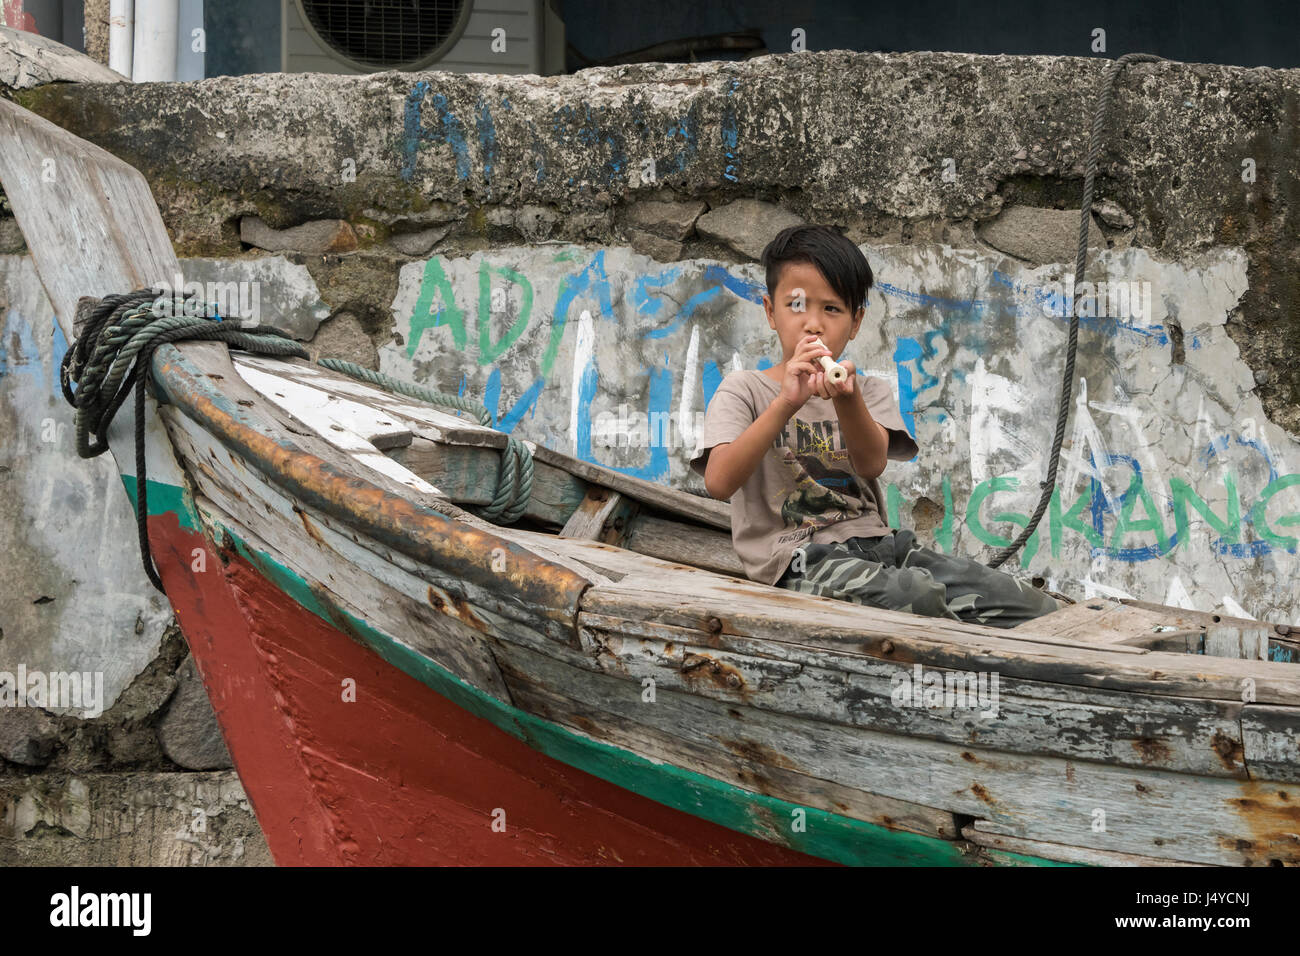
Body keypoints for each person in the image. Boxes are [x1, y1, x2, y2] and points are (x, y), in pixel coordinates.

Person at [688, 224, 1059, 629]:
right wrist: (786, 404)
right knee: (918, 600)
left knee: (1031, 607)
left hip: (882, 545)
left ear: (856, 321)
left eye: (832, 309)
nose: (813, 324)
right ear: (770, 311)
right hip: (796, 559)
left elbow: (871, 464)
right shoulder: (745, 390)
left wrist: (848, 401)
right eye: (796, 305)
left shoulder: (867, 392)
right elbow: (719, 483)